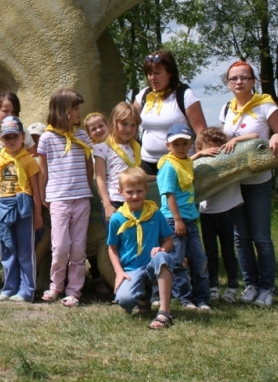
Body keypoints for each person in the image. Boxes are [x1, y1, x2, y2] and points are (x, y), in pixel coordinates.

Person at [220, 61, 278, 308]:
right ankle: (250, 285)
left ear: (253, 81)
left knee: (261, 237)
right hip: (235, 180)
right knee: (241, 237)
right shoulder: (226, 109)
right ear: (228, 83)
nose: (238, 82)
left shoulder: (265, 105)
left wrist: (276, 136)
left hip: (259, 180)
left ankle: (267, 288)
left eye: (244, 78)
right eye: (233, 79)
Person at [38, 89, 93, 308]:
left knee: (79, 248)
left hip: (81, 199)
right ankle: (55, 286)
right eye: (76, 108)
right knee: (60, 247)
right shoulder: (47, 138)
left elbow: (89, 165)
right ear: (64, 111)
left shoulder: (82, 136)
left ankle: (74, 290)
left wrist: (86, 187)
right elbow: (43, 170)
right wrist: (43, 194)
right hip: (58, 199)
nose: (80, 112)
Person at [191, 128, 255, 303]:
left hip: (227, 211)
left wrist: (234, 141)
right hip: (206, 213)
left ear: (211, 145)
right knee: (210, 253)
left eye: (199, 148)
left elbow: (255, 137)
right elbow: (179, 165)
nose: (198, 152)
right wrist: (199, 155)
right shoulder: (201, 162)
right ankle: (213, 287)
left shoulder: (231, 156)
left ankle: (232, 287)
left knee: (228, 252)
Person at [108, 168, 175, 329]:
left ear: (147, 190)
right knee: (124, 300)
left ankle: (165, 311)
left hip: (152, 264)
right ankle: (144, 297)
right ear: (121, 192)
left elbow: (168, 240)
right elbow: (112, 248)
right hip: (132, 269)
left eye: (139, 191)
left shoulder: (155, 213)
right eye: (130, 192)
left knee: (163, 257)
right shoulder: (117, 218)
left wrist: (161, 249)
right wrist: (119, 272)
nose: (135, 196)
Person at [0, 92, 36, 274]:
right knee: (1, 229)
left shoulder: (22, 131)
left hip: (22, 189)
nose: (9, 115)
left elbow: (34, 153)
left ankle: (24, 274)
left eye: (13, 112)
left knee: (22, 234)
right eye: (5, 111)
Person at [157, 123, 210, 310]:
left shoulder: (185, 161)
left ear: (191, 145)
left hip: (190, 219)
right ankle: (184, 298)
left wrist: (201, 154)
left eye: (185, 143)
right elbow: (169, 194)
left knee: (199, 259)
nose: (180, 147)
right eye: (176, 144)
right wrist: (177, 219)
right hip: (174, 220)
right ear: (168, 146)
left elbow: (188, 161)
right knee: (177, 261)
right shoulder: (169, 166)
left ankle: (203, 298)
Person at [0, 116, 42, 302]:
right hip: (3, 207)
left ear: (22, 137)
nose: (11, 141)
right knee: (7, 248)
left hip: (23, 206)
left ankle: (27, 290)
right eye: (7, 138)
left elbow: (36, 189)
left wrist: (37, 214)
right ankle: (9, 288)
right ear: (1, 140)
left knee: (25, 250)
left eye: (15, 136)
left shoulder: (29, 160)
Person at [132, 49, 207, 178]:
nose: (152, 78)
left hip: (179, 163)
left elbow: (202, 133)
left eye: (157, 73)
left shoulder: (184, 95)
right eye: (149, 73)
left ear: (170, 73)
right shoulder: (144, 95)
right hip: (148, 164)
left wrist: (200, 162)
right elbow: (127, 120)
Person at [94, 102, 141, 224]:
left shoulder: (135, 147)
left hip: (135, 200)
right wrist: (107, 205)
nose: (128, 129)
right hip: (114, 201)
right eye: (124, 124)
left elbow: (137, 174)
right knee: (116, 241)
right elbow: (100, 178)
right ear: (114, 122)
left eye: (133, 125)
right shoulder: (102, 148)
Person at [83, 111, 110, 294]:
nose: (98, 130)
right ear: (89, 133)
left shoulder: (116, 146)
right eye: (93, 128)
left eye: (101, 126)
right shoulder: (90, 151)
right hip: (94, 195)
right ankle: (96, 276)